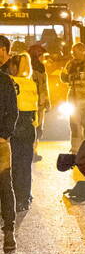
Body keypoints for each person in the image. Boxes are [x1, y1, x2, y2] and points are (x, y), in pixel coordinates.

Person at [5, 53, 38, 211]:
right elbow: (35, 109)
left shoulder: (9, 81)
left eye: (12, 64)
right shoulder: (31, 83)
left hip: (13, 125)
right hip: (28, 126)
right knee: (25, 164)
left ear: (15, 66)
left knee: (11, 165)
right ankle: (23, 199)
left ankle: (11, 199)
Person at [0, 37, 19, 252]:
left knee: (5, 185)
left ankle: (9, 231)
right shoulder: (5, 80)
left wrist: (4, 135)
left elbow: (12, 112)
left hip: (0, 142)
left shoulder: (5, 81)